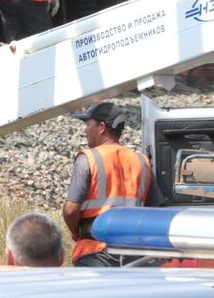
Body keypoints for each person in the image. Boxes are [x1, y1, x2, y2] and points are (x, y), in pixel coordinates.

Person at [62, 102, 154, 267]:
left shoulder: (88, 159)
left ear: (102, 127)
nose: (85, 130)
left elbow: (70, 210)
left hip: (95, 253)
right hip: (135, 254)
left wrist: (76, 232)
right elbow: (153, 209)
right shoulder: (142, 161)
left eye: (88, 124)